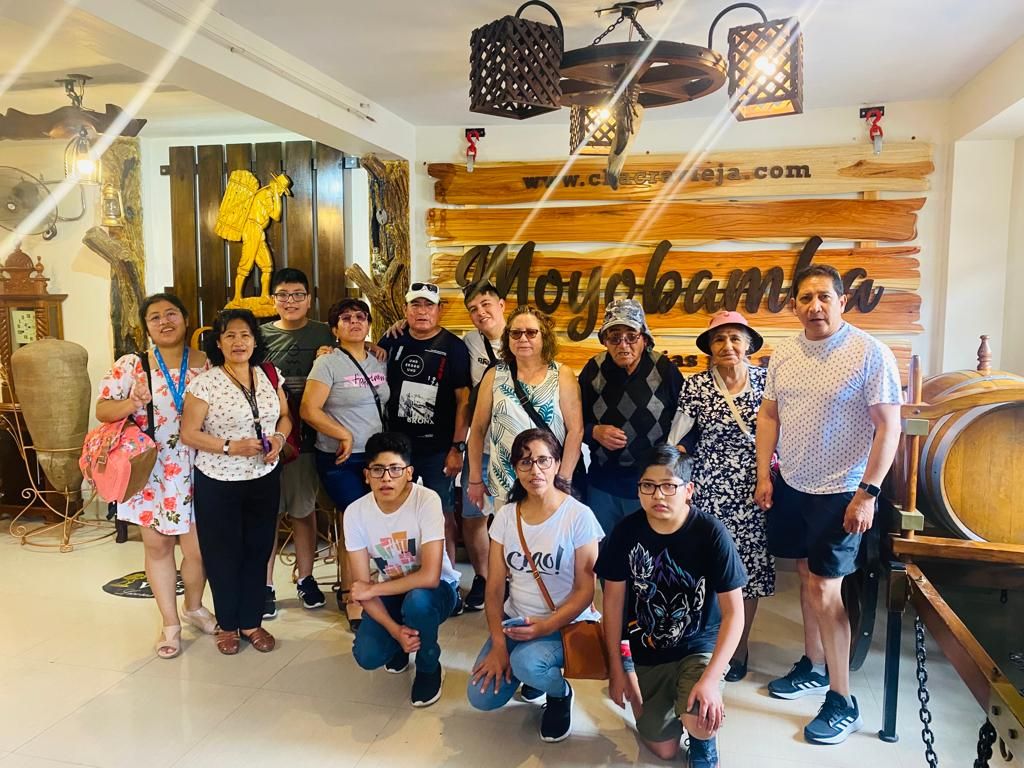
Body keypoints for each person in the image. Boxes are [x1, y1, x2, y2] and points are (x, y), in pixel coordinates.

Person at [755, 264, 901, 745]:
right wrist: (764, 475)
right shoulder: (784, 352)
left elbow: (889, 427)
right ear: (794, 305)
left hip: (843, 491)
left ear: (842, 301)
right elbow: (769, 415)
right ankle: (814, 665)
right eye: (805, 298)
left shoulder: (870, 352)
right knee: (806, 575)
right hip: (794, 483)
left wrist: (868, 493)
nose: (814, 306)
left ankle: (843, 700)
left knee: (825, 589)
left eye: (824, 296)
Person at [596, 445, 746, 767]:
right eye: (648, 486)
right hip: (648, 650)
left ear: (688, 490)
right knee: (663, 749)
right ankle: (671, 711)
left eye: (669, 486)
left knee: (701, 719)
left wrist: (710, 680)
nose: (658, 496)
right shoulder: (625, 533)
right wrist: (618, 668)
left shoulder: (711, 533)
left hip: (699, 645)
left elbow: (735, 614)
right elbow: (613, 604)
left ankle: (703, 743)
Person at [95, 293, 215, 659]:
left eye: (171, 314)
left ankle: (193, 607)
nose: (165, 322)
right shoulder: (132, 365)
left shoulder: (208, 363)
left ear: (186, 318)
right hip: (152, 470)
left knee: (199, 550)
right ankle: (170, 624)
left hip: (201, 466)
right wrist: (131, 403)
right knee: (158, 547)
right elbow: (102, 410)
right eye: (155, 317)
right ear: (146, 327)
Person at [467, 428, 603, 743]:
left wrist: (544, 628)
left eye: (543, 460)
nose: (535, 470)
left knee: (526, 663)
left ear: (557, 464)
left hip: (565, 623)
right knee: (481, 696)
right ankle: (530, 671)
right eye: (525, 462)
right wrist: (498, 644)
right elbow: (494, 589)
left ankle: (558, 693)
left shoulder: (579, 516)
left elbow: (585, 591)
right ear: (515, 469)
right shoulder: (506, 515)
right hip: (516, 622)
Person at [667, 310, 774, 682]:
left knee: (748, 571)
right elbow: (676, 438)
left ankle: (738, 649)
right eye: (719, 339)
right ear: (709, 348)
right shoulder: (696, 386)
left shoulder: (765, 382)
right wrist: (673, 480)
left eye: (734, 338)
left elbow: (781, 430)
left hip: (754, 487)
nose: (727, 345)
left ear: (748, 344)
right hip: (708, 487)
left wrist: (768, 477)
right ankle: (704, 643)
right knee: (704, 567)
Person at [181, 309, 291, 655]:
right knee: (223, 553)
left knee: (258, 549)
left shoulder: (269, 375)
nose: (238, 342)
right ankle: (227, 624)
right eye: (229, 335)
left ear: (255, 341)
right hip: (219, 479)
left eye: (245, 335)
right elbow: (189, 433)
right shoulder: (205, 383)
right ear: (219, 343)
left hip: (263, 476)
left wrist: (279, 439)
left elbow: (285, 417)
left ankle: (251, 622)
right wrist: (230, 447)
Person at [345, 431, 461, 708]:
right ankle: (400, 642)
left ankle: (429, 665)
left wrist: (373, 588)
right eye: (378, 470)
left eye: (395, 469)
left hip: (438, 591)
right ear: (366, 475)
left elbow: (430, 576)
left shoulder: (426, 500)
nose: (386, 478)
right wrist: (395, 630)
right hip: (392, 592)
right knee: (367, 656)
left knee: (418, 602)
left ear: (409, 472)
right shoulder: (355, 513)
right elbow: (362, 588)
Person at [377, 282, 471, 605]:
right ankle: (401, 579)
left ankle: (449, 582)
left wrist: (457, 447)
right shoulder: (392, 340)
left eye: (428, 305)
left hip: (437, 449)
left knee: (442, 514)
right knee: (396, 513)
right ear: (405, 310)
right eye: (415, 305)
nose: (421, 311)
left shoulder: (454, 347)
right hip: (396, 449)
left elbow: (463, 401)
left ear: (439, 310)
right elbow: (364, 359)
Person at [301, 297, 388, 630]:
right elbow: (309, 410)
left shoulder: (378, 360)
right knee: (356, 520)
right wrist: (343, 434)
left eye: (361, 317)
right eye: (346, 318)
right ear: (334, 329)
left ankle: (358, 587)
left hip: (376, 457)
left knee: (365, 523)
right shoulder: (327, 363)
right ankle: (354, 597)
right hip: (341, 457)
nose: (355, 322)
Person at [260, 267, 336, 618]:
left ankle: (306, 579)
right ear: (273, 299)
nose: (290, 301)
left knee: (303, 510)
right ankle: (265, 586)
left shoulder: (325, 332)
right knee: (267, 515)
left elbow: (352, 353)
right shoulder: (260, 336)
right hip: (265, 439)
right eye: (283, 295)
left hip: (306, 438)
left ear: (309, 299)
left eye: (298, 295)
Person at [579, 298, 683, 536]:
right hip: (603, 483)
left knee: (648, 549)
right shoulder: (593, 370)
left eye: (631, 336)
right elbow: (572, 422)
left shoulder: (664, 370)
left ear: (644, 338)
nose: (623, 345)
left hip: (652, 483)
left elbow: (686, 419)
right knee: (603, 548)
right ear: (605, 340)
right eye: (614, 337)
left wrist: (679, 452)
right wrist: (594, 432)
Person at [466, 305, 583, 510]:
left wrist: (563, 479)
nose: (523, 338)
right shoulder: (494, 375)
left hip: (549, 482)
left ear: (544, 336)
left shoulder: (561, 375)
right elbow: (477, 429)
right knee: (508, 529)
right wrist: (475, 479)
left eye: (531, 332)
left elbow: (576, 430)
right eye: (516, 333)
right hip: (506, 481)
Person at [459, 280, 506, 611]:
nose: (480, 313)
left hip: (515, 449)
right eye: (473, 309)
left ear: (502, 304)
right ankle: (484, 577)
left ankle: (512, 579)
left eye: (486, 304)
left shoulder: (525, 335)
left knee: (513, 515)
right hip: (481, 445)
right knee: (472, 513)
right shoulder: (468, 342)